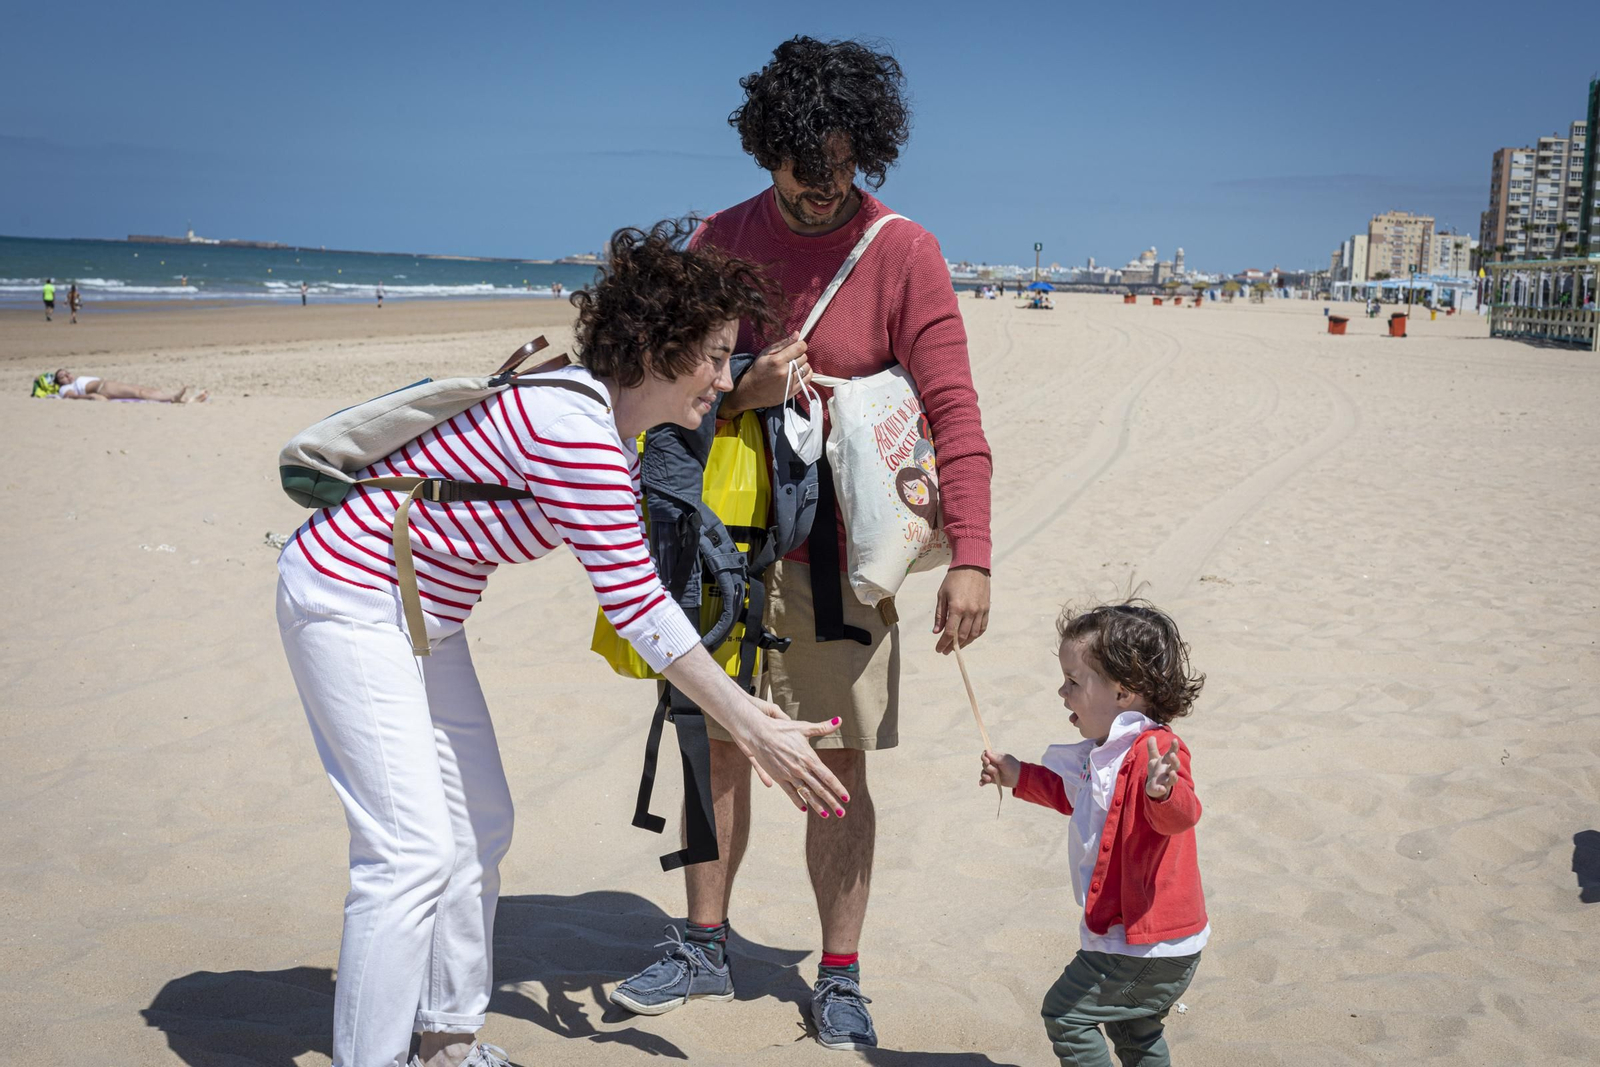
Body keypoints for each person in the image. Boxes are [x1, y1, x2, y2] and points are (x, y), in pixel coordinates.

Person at [275, 220, 851, 1067]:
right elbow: (639, 607)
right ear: (657, 348)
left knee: (480, 823)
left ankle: (446, 1040)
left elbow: (642, 589)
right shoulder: (573, 428)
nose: (726, 378)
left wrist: (745, 713)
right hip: (348, 594)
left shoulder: (612, 430)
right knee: (409, 853)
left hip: (421, 616)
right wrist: (752, 722)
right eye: (714, 355)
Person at [610, 36, 993, 1051]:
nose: (822, 191)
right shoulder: (719, 240)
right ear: (765, 149)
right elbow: (653, 389)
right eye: (801, 170)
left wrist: (973, 554)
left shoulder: (904, 250)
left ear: (866, 147)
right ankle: (703, 942)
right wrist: (747, 388)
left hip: (842, 559)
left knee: (838, 767)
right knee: (713, 748)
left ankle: (840, 972)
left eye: (841, 167)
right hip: (720, 546)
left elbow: (955, 408)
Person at [979, 601, 1208, 1067]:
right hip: (1140, 940)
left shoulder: (1155, 749)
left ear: (1123, 692)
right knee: (1133, 1031)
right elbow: (1075, 796)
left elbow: (1181, 816)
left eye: (1073, 681)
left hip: (1150, 941)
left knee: (1065, 1015)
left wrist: (1163, 792)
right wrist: (1018, 775)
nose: (1062, 692)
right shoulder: (1105, 750)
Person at [52, 369, 206, 403]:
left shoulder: (75, 380)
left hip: (107, 385)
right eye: (62, 377)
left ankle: (182, 400)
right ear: (59, 383)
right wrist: (92, 396)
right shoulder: (64, 389)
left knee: (146, 390)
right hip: (103, 389)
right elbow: (73, 397)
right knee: (139, 393)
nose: (67, 376)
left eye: (67, 373)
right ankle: (172, 398)